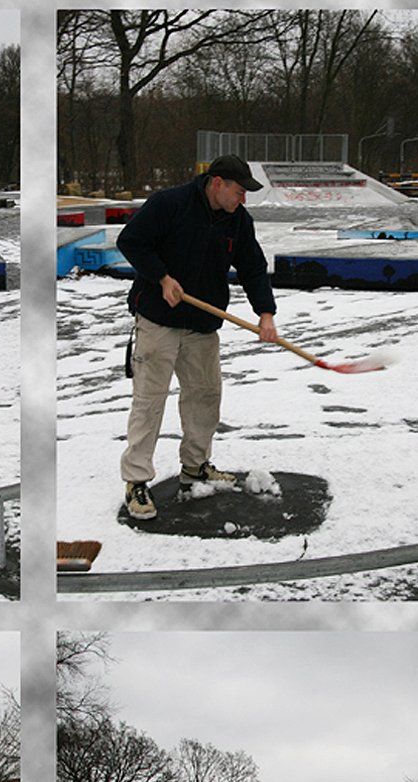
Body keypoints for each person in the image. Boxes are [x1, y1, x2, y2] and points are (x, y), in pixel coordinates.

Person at [115, 155, 278, 521]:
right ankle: (137, 480)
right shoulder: (169, 204)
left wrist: (265, 312)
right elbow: (132, 241)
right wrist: (162, 277)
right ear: (216, 183)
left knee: (205, 394)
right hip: (158, 320)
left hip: (203, 323)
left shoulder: (238, 221)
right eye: (239, 191)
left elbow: (252, 266)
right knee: (149, 401)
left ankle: (195, 466)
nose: (243, 200)